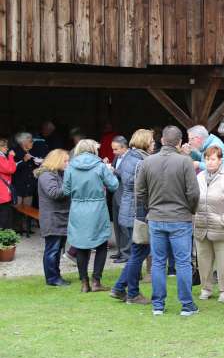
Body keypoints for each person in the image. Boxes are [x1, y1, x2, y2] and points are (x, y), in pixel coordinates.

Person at [136, 126, 200, 316]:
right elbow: (194, 193)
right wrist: (190, 210)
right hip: (180, 218)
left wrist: (151, 207)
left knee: (158, 263)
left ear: (162, 140)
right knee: (182, 263)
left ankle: (158, 305)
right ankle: (187, 305)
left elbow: (140, 192)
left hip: (156, 217)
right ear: (180, 142)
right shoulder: (185, 162)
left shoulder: (148, 161)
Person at [63, 139, 119, 293]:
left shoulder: (70, 167)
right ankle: (96, 281)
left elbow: (66, 191)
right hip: (97, 207)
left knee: (81, 245)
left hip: (78, 209)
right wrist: (109, 172)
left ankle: (84, 283)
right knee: (101, 244)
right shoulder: (100, 166)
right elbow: (114, 185)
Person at [110, 129, 156, 305]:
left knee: (138, 252)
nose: (154, 144)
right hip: (137, 212)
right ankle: (130, 292)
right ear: (144, 142)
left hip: (129, 210)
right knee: (139, 253)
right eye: (151, 141)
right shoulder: (140, 162)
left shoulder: (130, 158)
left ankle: (121, 288)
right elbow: (140, 191)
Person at [194, 146, 224, 303]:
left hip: (221, 228)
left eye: (212, 159)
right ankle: (206, 288)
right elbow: (192, 199)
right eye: (206, 159)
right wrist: (194, 218)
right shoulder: (199, 177)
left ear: (220, 160)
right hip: (201, 226)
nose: (209, 162)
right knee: (203, 262)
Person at [36, 149, 71, 287]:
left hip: (60, 217)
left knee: (57, 249)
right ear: (56, 160)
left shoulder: (58, 173)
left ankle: (56, 276)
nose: (67, 163)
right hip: (52, 218)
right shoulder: (46, 175)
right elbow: (54, 193)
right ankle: (52, 279)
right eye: (65, 160)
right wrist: (69, 183)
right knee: (52, 250)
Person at [13, 132, 46, 236]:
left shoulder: (32, 152)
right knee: (17, 208)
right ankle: (17, 229)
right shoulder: (14, 152)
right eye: (31, 140)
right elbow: (12, 169)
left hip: (29, 185)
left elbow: (33, 167)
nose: (33, 142)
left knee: (28, 208)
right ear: (24, 142)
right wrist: (23, 160)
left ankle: (26, 228)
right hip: (18, 185)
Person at [110, 135, 130, 263]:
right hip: (116, 194)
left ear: (124, 148)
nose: (114, 152)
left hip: (125, 196)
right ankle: (120, 250)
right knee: (117, 225)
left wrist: (114, 170)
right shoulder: (117, 156)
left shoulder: (130, 158)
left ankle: (126, 253)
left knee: (125, 226)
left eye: (116, 149)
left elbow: (127, 176)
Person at [0, 139, 17, 230]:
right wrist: (11, 157)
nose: (7, 148)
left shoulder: (2, 157)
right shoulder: (0, 157)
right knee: (4, 217)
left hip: (3, 191)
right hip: (2, 192)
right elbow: (10, 169)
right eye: (4, 146)